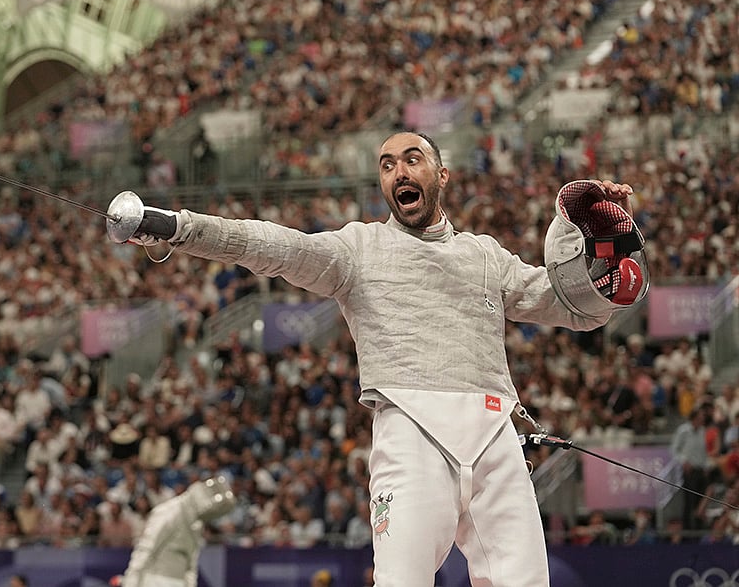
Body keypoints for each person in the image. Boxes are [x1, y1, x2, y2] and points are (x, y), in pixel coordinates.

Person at [122, 131, 639, 586]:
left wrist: (606, 247)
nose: (399, 172)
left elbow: (574, 308)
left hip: (495, 434)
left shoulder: (484, 255)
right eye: (387, 165)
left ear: (442, 175)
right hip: (411, 433)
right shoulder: (360, 249)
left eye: (412, 159)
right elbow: (276, 246)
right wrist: (178, 227)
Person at [119, 476, 236, 587]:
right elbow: (146, 548)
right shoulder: (169, 512)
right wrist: (131, 581)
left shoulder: (196, 522)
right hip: (154, 579)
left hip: (179, 581)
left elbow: (191, 561)